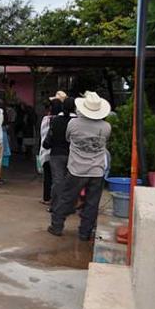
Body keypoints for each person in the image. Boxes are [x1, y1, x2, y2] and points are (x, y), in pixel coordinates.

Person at [49, 92, 111, 240]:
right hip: (97, 170)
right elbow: (106, 142)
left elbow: (68, 138)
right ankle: (85, 233)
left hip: (77, 169)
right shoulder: (106, 126)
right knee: (91, 203)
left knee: (66, 198)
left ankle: (57, 226)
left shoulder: (73, 123)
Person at [43, 97, 76, 215]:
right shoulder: (76, 121)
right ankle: (69, 206)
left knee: (57, 181)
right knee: (71, 182)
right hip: (72, 155)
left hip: (56, 154)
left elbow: (48, 140)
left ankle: (55, 206)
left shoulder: (55, 120)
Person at [38, 99, 63, 205]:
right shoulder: (63, 119)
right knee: (58, 177)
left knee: (47, 176)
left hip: (46, 151)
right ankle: (57, 199)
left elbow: (42, 134)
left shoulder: (46, 119)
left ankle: (46, 198)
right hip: (58, 151)